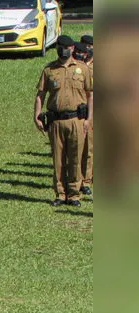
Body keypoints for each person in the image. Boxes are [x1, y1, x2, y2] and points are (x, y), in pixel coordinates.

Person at [34, 35, 93, 207]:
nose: (62, 49)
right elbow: (40, 95)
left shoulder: (83, 69)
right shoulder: (49, 69)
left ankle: (74, 194)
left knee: (75, 158)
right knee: (58, 160)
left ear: (73, 48)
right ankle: (60, 193)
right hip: (56, 121)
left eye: (65, 46)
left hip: (77, 120)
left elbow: (90, 95)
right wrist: (37, 115)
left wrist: (89, 119)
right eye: (59, 46)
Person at [78, 35, 93, 196]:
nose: (88, 49)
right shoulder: (77, 65)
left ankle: (86, 180)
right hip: (78, 110)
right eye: (85, 46)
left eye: (90, 46)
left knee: (89, 148)